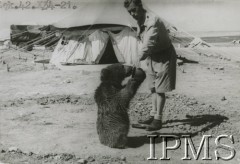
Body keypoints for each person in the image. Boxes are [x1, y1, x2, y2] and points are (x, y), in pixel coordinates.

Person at [124, 0, 177, 131]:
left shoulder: (153, 21)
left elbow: (147, 44)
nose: (132, 13)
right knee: (153, 87)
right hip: (152, 56)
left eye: (134, 10)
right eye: (130, 12)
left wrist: (135, 62)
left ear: (140, 6)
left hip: (164, 56)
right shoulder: (139, 22)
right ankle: (153, 116)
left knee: (160, 89)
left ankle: (157, 120)